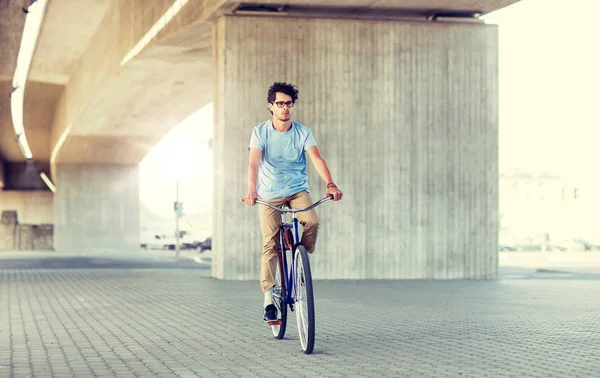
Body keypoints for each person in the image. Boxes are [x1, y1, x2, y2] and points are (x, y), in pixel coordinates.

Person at [242, 82, 344, 322]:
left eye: (288, 103)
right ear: (271, 106)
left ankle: (301, 261)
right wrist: (251, 190)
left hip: (297, 190)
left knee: (311, 221)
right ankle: (269, 300)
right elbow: (253, 163)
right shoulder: (261, 132)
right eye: (280, 103)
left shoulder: (302, 132)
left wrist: (330, 184)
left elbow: (317, 159)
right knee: (270, 244)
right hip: (269, 193)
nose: (285, 108)